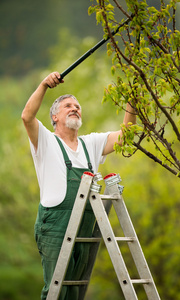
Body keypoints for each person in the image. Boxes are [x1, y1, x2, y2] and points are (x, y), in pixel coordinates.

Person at [21, 72, 136, 300]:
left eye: (77, 106)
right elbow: (26, 116)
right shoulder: (45, 140)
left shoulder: (90, 143)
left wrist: (132, 100)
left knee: (74, 291)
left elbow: (125, 137)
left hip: (84, 224)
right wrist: (44, 84)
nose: (74, 108)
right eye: (67, 106)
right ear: (54, 117)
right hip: (54, 225)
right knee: (57, 290)